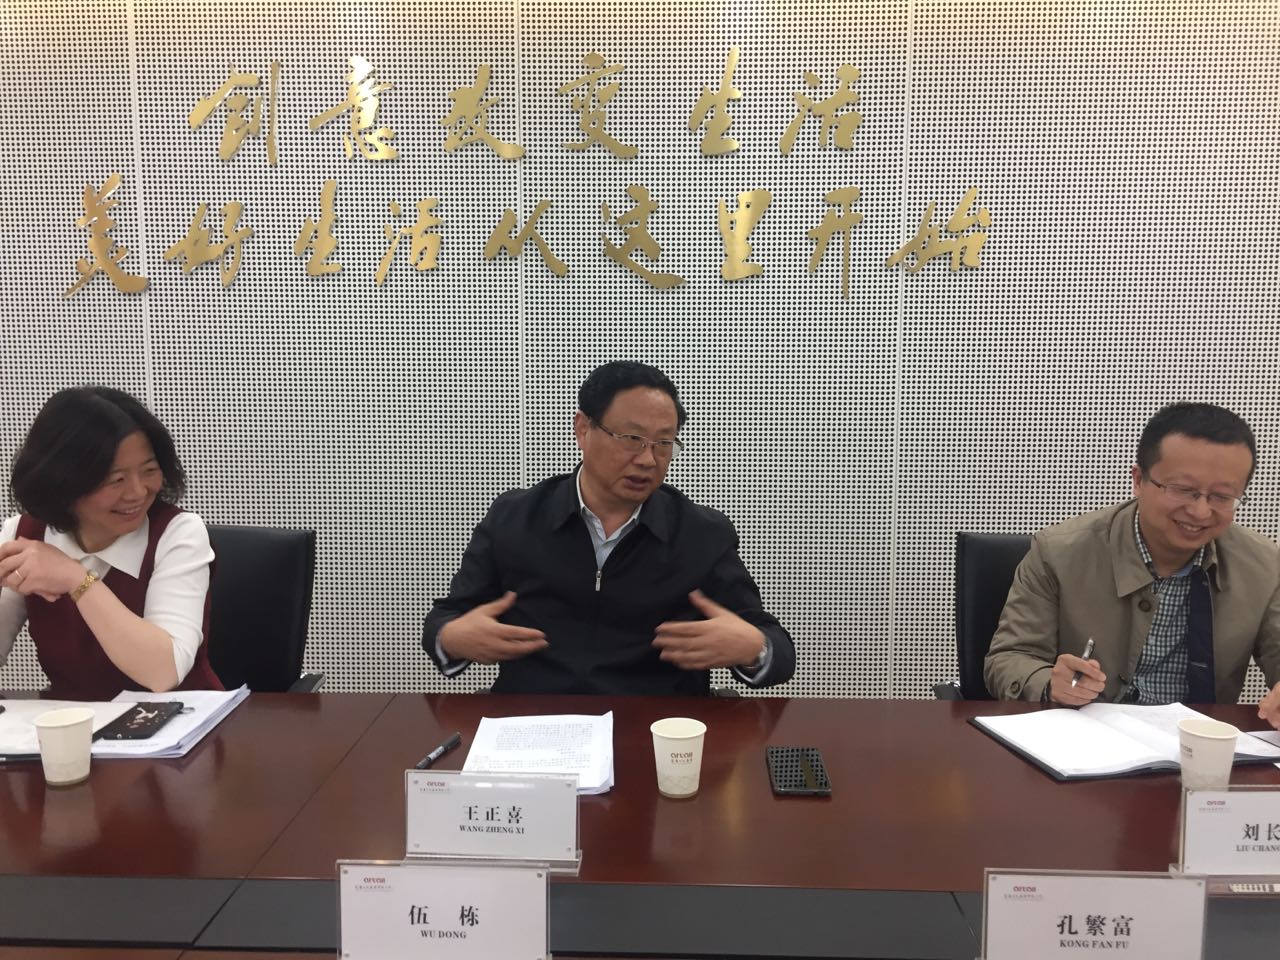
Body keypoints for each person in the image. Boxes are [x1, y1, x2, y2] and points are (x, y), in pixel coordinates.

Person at [423, 361, 796, 695]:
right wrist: (452, 638)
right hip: (535, 723)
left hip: (657, 726)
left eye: (663, 443)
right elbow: (445, 621)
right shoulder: (514, 517)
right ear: (583, 429)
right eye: (632, 439)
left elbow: (779, 650)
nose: (648, 459)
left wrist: (754, 648)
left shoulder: (701, 533)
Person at [984, 402, 1280, 728]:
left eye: (1221, 497)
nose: (1200, 511)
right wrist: (1048, 683)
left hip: (1200, 745)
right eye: (1183, 490)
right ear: (1139, 480)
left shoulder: (1265, 567)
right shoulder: (1058, 552)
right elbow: (1008, 659)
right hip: (1082, 739)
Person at [0, 386, 223, 700]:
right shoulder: (23, 535)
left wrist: (75, 578)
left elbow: (162, 672)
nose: (137, 492)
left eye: (149, 471)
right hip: (72, 724)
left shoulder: (178, 533)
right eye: (115, 479)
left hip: (180, 720)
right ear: (63, 481)